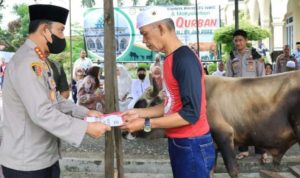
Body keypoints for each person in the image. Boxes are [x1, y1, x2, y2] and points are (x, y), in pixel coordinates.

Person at [0, 4, 111, 178]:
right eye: (60, 30)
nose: (62, 36)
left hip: (45, 156)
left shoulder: (40, 61)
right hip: (27, 163)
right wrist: (85, 128)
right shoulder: (26, 63)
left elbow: (55, 99)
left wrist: (86, 112)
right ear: (45, 30)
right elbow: (41, 112)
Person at [121, 6, 215, 178]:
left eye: (145, 33)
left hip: (192, 143)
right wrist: (139, 112)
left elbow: (190, 114)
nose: (144, 40)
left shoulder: (184, 59)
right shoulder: (170, 58)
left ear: (161, 28)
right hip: (181, 142)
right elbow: (172, 104)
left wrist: (145, 123)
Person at [226, 29, 268, 163]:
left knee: (258, 122)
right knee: (240, 123)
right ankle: (243, 150)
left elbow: (261, 75)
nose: (238, 43)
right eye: (236, 40)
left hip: (254, 95)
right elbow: (228, 77)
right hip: (237, 96)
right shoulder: (232, 56)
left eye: (240, 40)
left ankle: (262, 151)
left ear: (246, 40)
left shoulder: (255, 54)